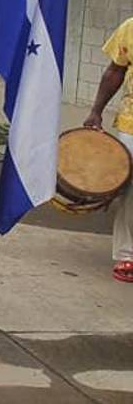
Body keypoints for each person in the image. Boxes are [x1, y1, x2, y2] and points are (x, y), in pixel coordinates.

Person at [83, 16, 133, 283]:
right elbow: (115, 71)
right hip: (132, 122)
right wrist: (96, 111)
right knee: (132, 188)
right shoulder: (131, 28)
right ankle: (129, 253)